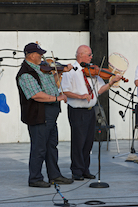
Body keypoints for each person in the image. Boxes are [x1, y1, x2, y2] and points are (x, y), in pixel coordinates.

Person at [16, 42, 74, 188]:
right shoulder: (25, 74)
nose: (42, 56)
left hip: (50, 114)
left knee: (51, 146)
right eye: (39, 54)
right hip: (38, 115)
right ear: (31, 55)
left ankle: (55, 176)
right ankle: (35, 178)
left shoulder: (43, 69)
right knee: (39, 147)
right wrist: (57, 98)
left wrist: (60, 72)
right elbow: (36, 95)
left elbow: (53, 86)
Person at [61, 45, 122, 181]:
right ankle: (76, 170)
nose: (91, 57)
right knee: (78, 141)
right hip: (77, 111)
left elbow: (99, 90)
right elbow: (65, 91)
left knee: (88, 142)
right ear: (80, 55)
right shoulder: (70, 71)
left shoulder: (91, 71)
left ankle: (85, 169)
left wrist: (111, 83)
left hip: (90, 111)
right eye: (89, 54)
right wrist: (81, 96)